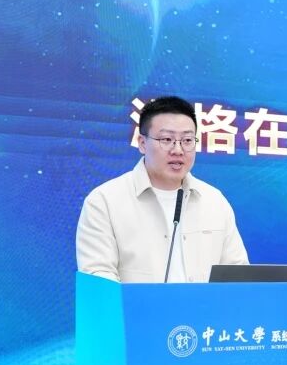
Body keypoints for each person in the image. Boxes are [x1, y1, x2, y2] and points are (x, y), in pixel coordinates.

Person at [76, 95, 248, 282]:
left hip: (205, 303)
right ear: (142, 143)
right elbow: (98, 277)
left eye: (187, 140)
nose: (178, 150)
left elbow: (237, 274)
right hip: (136, 303)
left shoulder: (214, 201)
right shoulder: (104, 201)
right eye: (167, 139)